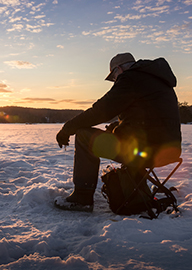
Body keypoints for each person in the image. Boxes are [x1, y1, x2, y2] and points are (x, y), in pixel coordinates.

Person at [55, 52, 182, 212]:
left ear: (119, 69)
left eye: (114, 77)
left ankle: (82, 197)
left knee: (83, 136)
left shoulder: (130, 78)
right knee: (112, 136)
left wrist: (68, 128)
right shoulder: (156, 80)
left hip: (145, 151)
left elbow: (101, 110)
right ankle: (135, 190)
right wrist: (116, 127)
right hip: (169, 150)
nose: (114, 81)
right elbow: (148, 119)